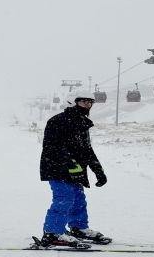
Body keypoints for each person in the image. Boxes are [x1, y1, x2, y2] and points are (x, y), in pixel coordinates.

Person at [39, 90, 110, 247]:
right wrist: (71, 164)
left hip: (75, 170)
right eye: (84, 101)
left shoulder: (82, 123)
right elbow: (54, 148)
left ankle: (78, 228)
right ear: (73, 102)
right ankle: (53, 233)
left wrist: (98, 170)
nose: (88, 105)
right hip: (57, 168)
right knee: (64, 199)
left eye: (90, 102)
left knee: (78, 200)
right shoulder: (58, 121)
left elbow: (87, 150)